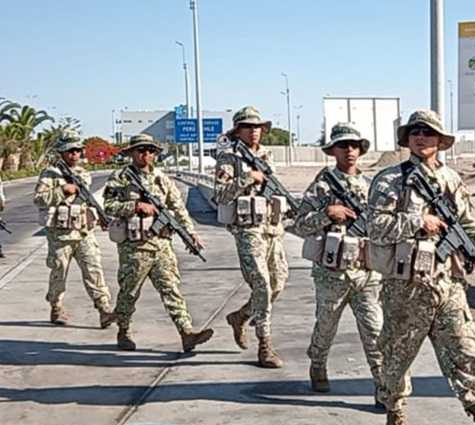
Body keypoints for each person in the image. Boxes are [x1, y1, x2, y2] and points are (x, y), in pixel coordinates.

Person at [367, 109, 475, 425]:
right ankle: (396, 412)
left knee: (465, 353)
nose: (422, 137)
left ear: (440, 141)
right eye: (416, 132)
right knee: (396, 356)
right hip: (405, 285)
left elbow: (467, 225)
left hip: (448, 285)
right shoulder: (389, 180)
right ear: (407, 139)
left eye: (429, 132)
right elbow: (373, 226)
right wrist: (416, 220)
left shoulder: (452, 180)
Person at [291, 122, 385, 404]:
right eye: (343, 146)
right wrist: (326, 214)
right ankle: (317, 363)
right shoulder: (321, 185)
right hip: (331, 273)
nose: (350, 151)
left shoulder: (373, 186)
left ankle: (385, 390)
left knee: (375, 333)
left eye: (354, 146)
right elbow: (299, 225)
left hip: (367, 273)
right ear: (333, 150)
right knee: (326, 326)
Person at [103, 134, 213, 353]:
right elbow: (108, 205)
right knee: (129, 293)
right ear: (132, 153)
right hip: (135, 247)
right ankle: (123, 331)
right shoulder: (121, 177)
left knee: (171, 289)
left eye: (150, 151)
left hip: (161, 245)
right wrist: (134, 206)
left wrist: (190, 234)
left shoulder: (162, 179)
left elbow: (179, 209)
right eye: (141, 150)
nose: (146, 155)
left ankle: (186, 333)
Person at [215, 106, 289, 368]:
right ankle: (265, 346)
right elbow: (221, 195)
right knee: (262, 286)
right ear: (237, 130)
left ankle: (241, 316)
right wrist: (248, 177)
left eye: (257, 127)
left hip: (271, 228)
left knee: (278, 282)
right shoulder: (229, 158)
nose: (254, 131)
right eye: (248, 127)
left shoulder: (267, 155)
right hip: (247, 230)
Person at [32, 131, 115, 327]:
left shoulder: (83, 174)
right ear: (62, 152)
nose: (74, 155)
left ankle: (104, 309)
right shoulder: (50, 174)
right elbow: (38, 199)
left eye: (77, 151)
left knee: (94, 269)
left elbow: (87, 200)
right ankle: (56, 307)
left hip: (84, 232)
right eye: (70, 151)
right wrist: (62, 190)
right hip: (60, 235)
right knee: (59, 273)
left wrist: (101, 217)